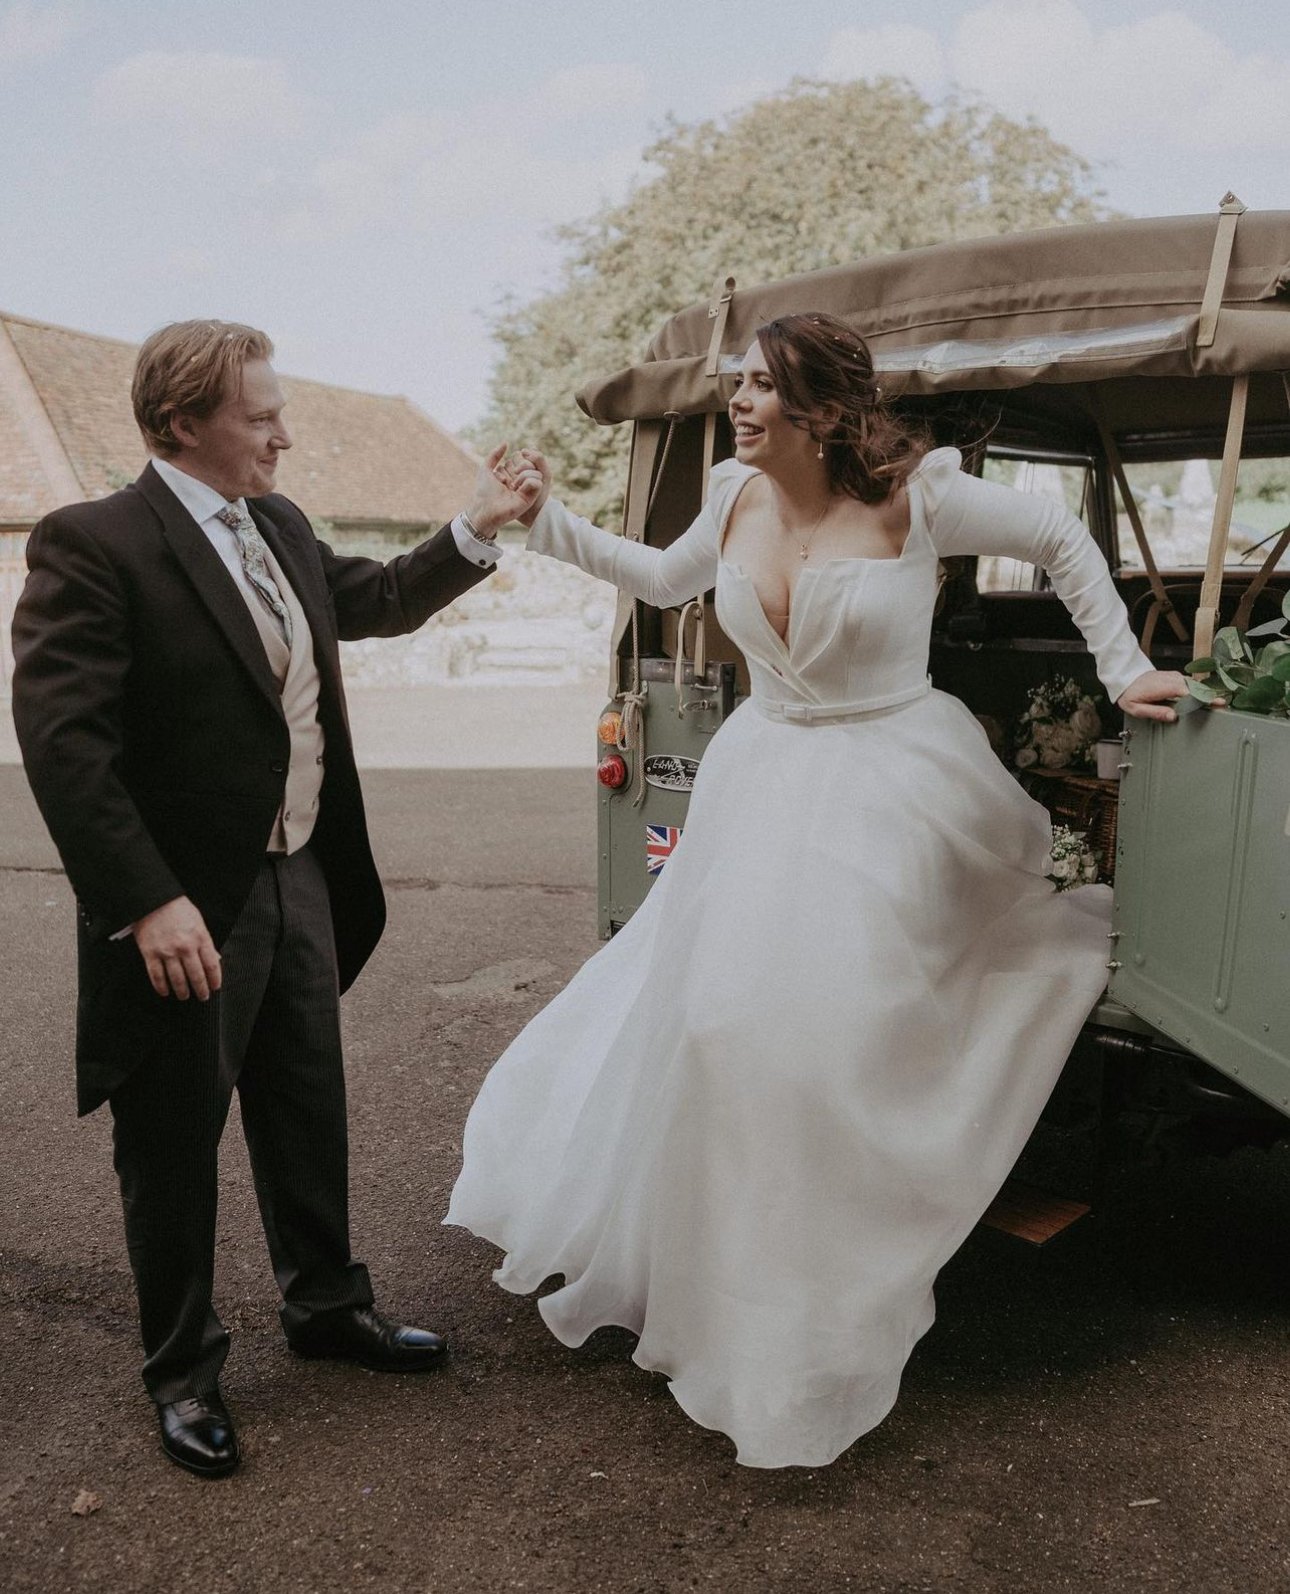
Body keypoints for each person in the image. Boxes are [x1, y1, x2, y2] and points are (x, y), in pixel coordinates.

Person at [446, 313, 1188, 1470]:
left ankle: (834, 1282)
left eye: (759, 385)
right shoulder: (732, 495)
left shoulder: (919, 496)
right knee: (717, 1024)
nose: (737, 402)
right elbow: (658, 577)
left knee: (829, 1032)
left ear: (825, 408)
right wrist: (544, 520)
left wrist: (1126, 668)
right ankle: (733, 1288)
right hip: (764, 781)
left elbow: (1057, 538)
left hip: (898, 786)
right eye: (736, 382)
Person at [11, 319, 541, 1478]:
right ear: (181, 422)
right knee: (172, 1139)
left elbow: (382, 594)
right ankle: (183, 1371)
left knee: (306, 1104)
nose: (284, 436)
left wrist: (479, 522)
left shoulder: (282, 527)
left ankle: (327, 1307)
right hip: (184, 902)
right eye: (260, 417)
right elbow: (64, 744)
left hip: (301, 872)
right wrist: (146, 899)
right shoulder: (95, 542)